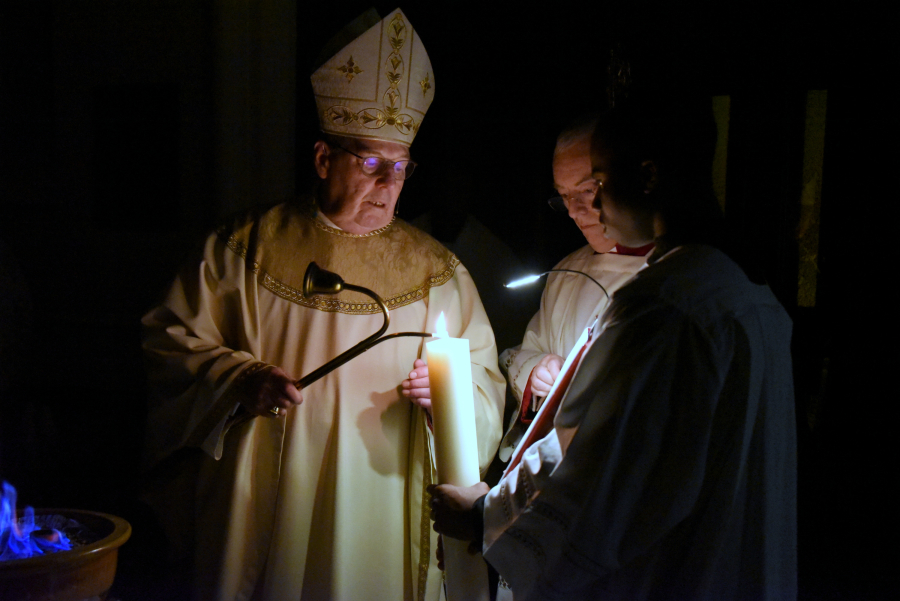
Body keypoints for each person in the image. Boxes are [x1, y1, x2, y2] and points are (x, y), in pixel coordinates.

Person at [140, 9, 504, 600]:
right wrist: (237, 379)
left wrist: (448, 401)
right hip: (270, 503)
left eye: (401, 168)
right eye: (369, 163)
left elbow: (484, 387)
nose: (389, 186)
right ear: (322, 159)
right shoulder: (242, 250)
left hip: (383, 505)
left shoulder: (439, 272)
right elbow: (169, 345)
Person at [429, 88, 797, 600]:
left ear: (647, 176)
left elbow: (601, 472)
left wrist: (484, 513)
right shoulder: (747, 293)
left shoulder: (661, 306)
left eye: (599, 182)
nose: (593, 205)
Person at [498, 116, 652, 461]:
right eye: (564, 196)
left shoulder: (669, 275)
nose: (575, 212)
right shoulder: (567, 272)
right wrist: (537, 375)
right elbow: (526, 352)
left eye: (587, 190)